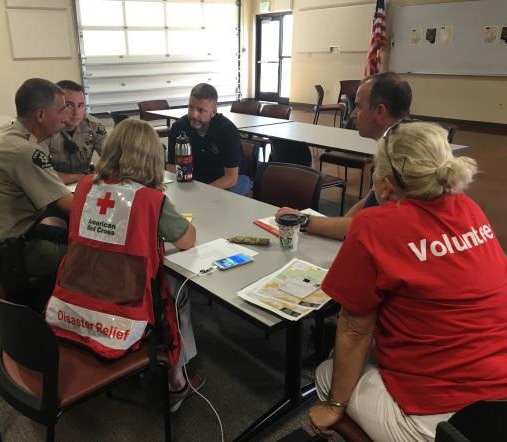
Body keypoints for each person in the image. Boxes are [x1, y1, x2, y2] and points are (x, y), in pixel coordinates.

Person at [307, 122, 507, 442]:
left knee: (326, 372)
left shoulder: (374, 226)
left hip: (444, 425)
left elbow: (355, 329)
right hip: (499, 399)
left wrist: (335, 404)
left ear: (385, 186)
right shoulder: (471, 210)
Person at [45, 118, 204, 412]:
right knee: (177, 289)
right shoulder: (150, 199)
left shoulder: (83, 187)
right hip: (123, 305)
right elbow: (187, 240)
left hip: (79, 292)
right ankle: (177, 380)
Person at [0, 78, 72, 287]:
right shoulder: (22, 151)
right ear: (40, 115)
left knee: (60, 225)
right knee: (90, 254)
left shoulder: (5, 133)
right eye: (61, 110)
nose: (65, 117)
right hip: (5, 252)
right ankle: (64, 311)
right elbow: (70, 206)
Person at [276, 72, 412, 240]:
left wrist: (302, 220)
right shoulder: (394, 141)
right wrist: (341, 225)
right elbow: (369, 200)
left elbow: (367, 226)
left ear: (380, 111)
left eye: (359, 106)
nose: (353, 114)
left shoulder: (402, 156)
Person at [168, 83, 251, 195]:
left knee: (225, 199)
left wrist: (202, 193)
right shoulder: (179, 128)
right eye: (190, 107)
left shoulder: (227, 130)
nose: (193, 114)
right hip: (195, 177)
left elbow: (231, 178)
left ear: (213, 112)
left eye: (200, 110)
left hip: (228, 179)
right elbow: (172, 168)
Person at [43, 80, 108, 185]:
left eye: (81, 105)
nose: (76, 112)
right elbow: (43, 175)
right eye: (69, 105)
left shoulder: (94, 126)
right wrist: (81, 177)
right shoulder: (44, 129)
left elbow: (111, 159)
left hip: (85, 184)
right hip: (53, 187)